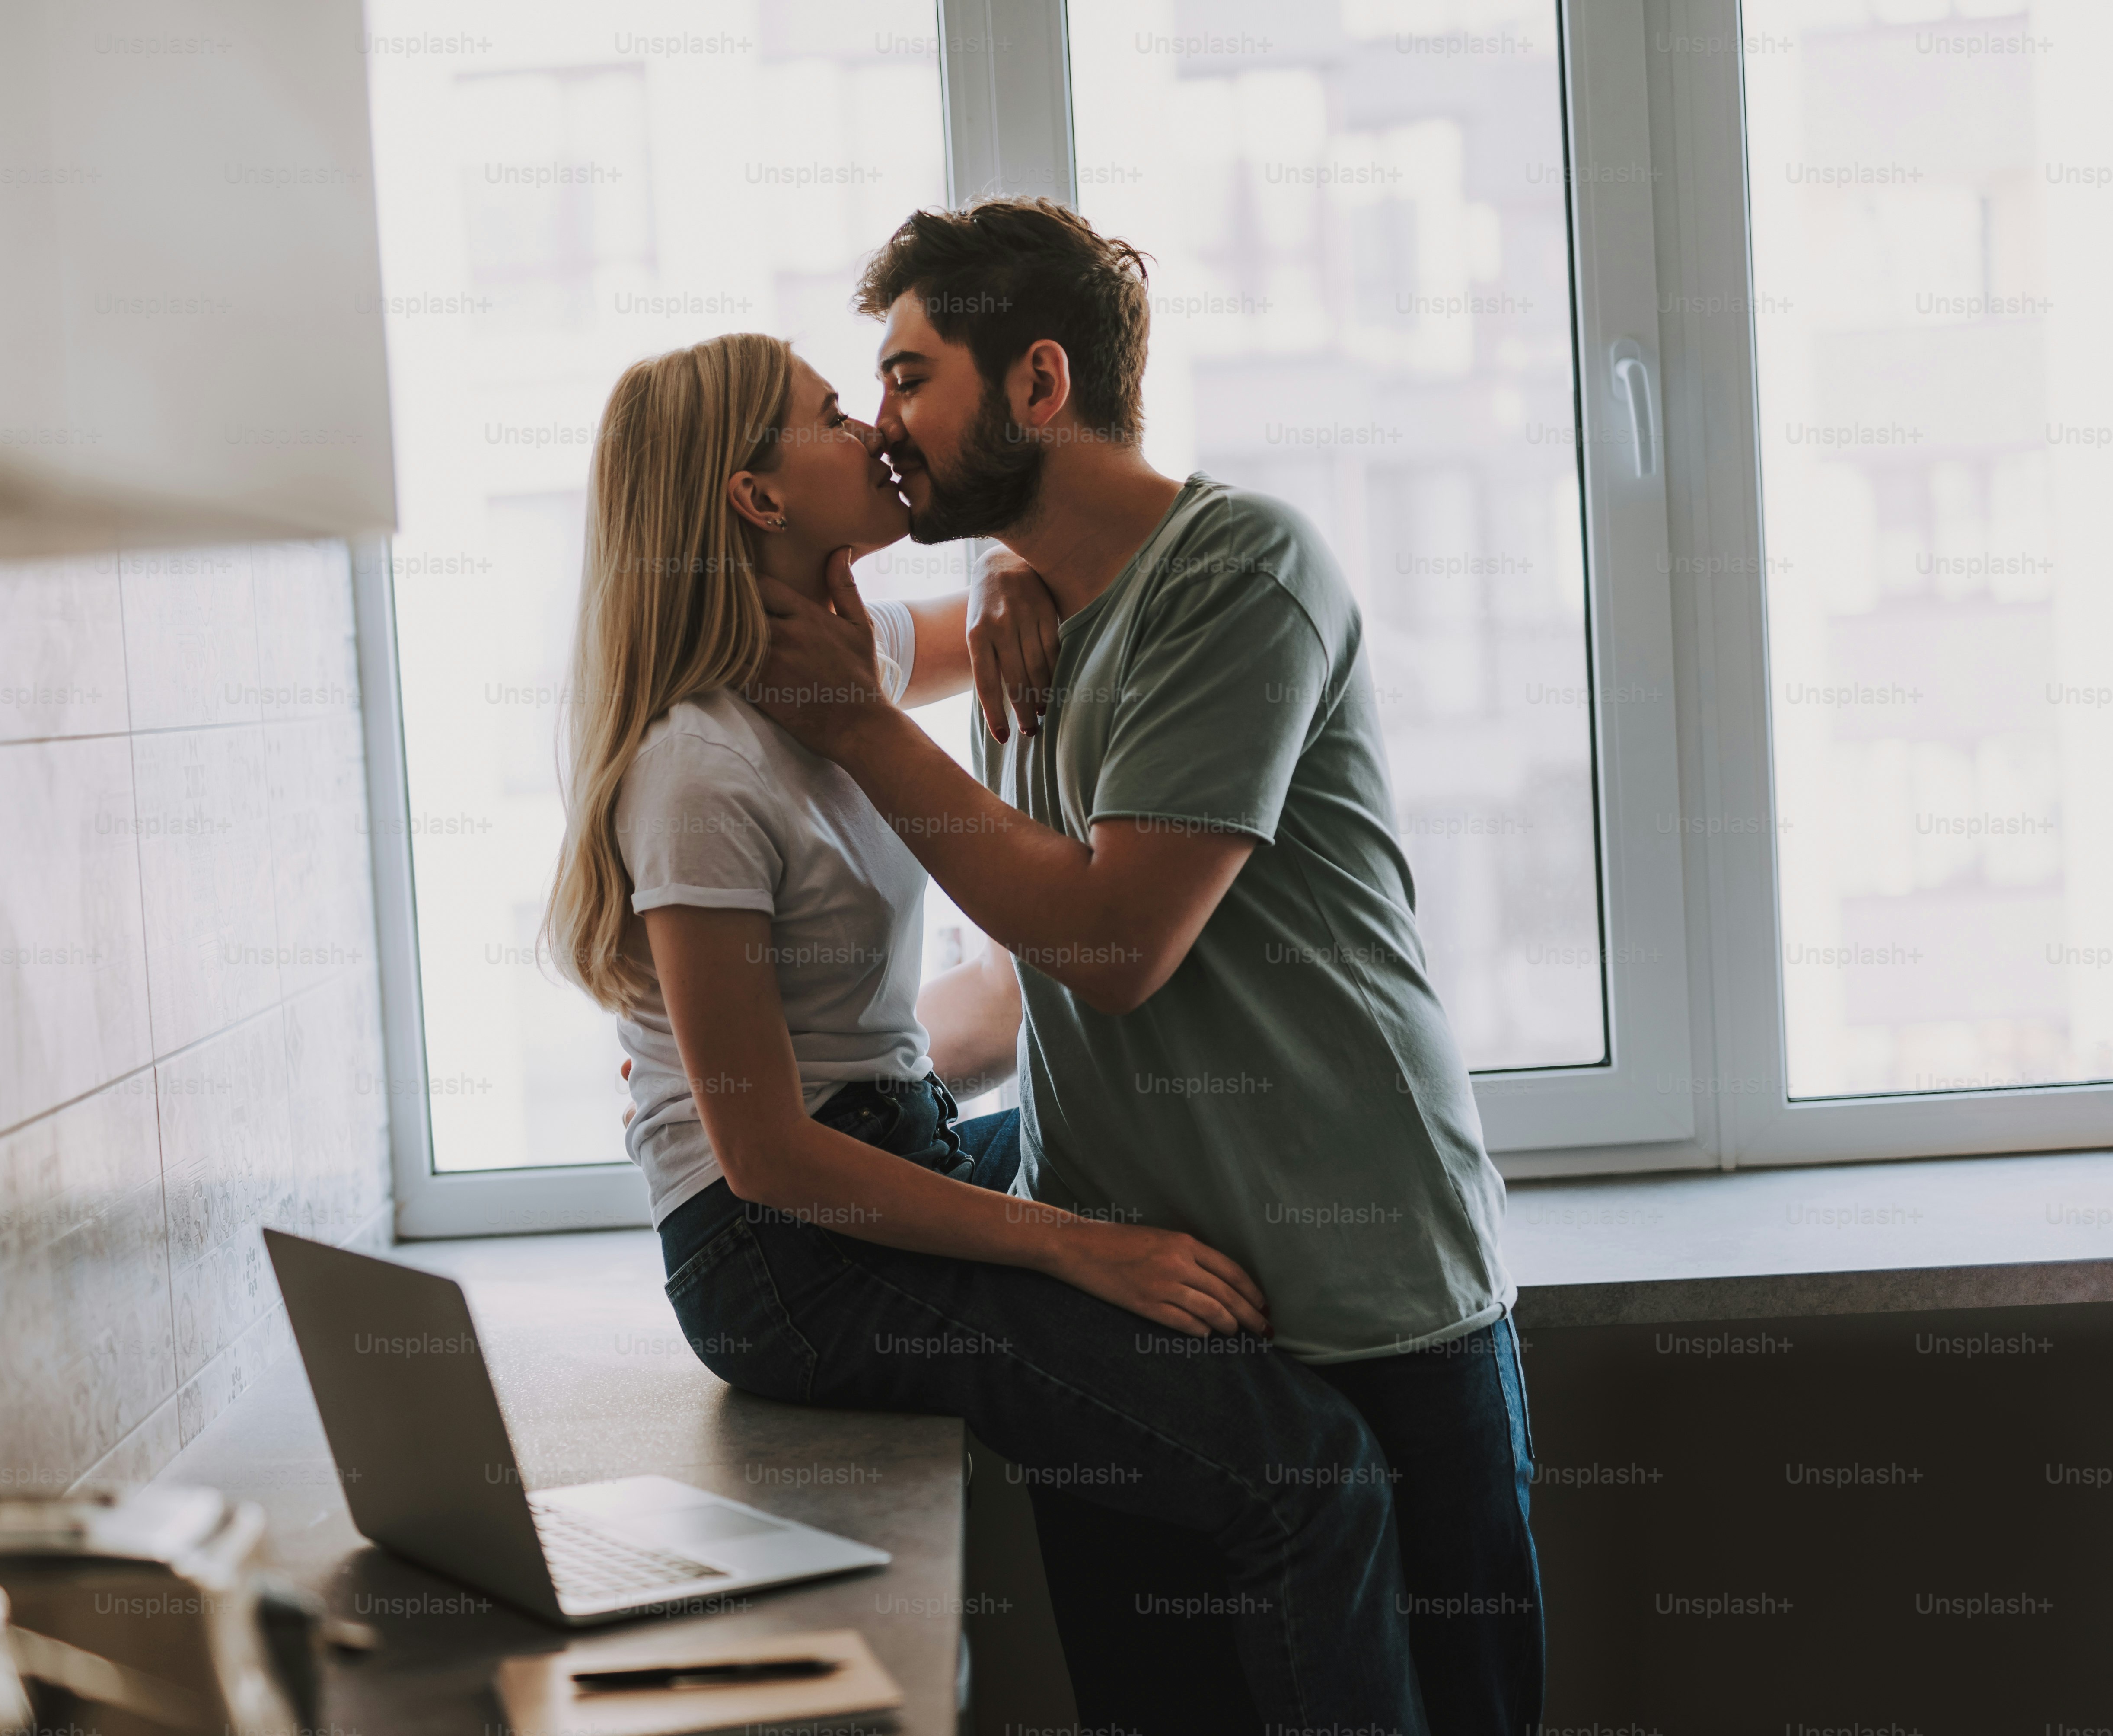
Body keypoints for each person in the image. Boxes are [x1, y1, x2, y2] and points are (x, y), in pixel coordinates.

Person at [546, 330, 1429, 1730]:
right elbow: (768, 1154)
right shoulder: (696, 768)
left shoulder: (844, 658)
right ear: (757, 499)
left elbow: (1062, 582)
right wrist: (1082, 1244)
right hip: (779, 1251)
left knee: (1154, 1163)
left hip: (889, 1146)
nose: (874, 432)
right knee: (1307, 1478)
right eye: (835, 415)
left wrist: (1013, 568)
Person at [743, 199, 1543, 1736]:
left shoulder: (1245, 571)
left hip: (1369, 1301)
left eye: (909, 380)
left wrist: (859, 720)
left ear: (1039, 387)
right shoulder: (1022, 636)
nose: (886, 425)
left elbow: (1110, 945)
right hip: (1151, 1323)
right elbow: (1017, 984)